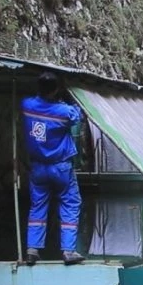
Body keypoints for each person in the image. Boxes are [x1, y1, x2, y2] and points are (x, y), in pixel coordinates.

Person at [21, 72, 85, 266]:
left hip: (38, 167)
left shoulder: (26, 106)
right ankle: (68, 251)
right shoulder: (64, 112)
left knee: (38, 206)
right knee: (70, 204)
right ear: (56, 89)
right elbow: (78, 115)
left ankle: (32, 250)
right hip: (60, 167)